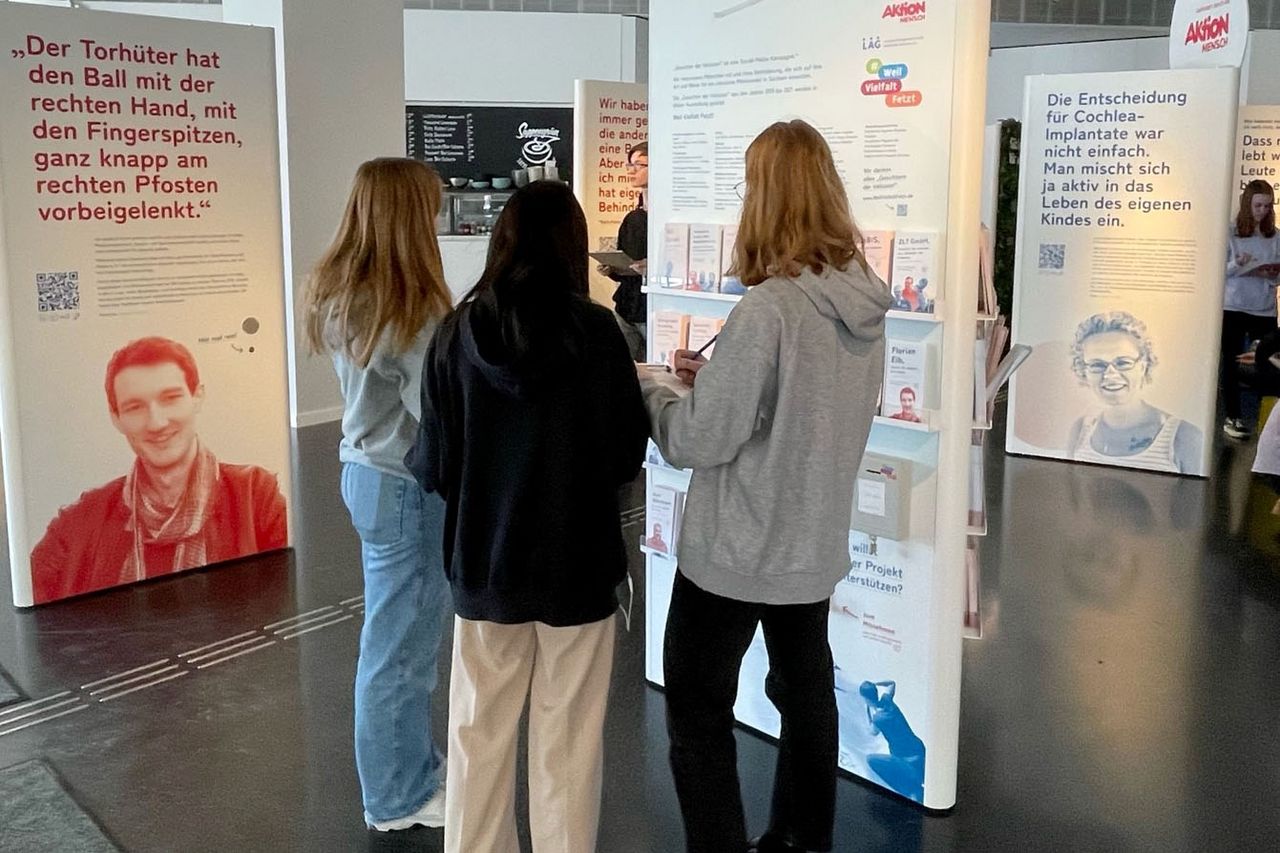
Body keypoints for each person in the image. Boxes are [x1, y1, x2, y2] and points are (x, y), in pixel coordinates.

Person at [640, 119, 891, 853]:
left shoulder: (769, 309)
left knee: (695, 710)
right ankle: (799, 839)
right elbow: (807, 412)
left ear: (767, 197)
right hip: (809, 546)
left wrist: (655, 395)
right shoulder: (865, 307)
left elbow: (698, 440)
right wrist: (715, 381)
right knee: (808, 697)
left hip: (737, 550)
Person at [406, 180, 649, 853]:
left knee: (475, 734)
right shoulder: (598, 334)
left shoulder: (456, 333)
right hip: (579, 567)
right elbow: (626, 453)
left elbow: (433, 463)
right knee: (567, 743)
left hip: (485, 567)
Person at [303, 157, 454, 833]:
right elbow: (441, 411)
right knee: (401, 648)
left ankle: (410, 767)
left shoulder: (340, 291)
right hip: (404, 485)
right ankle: (397, 796)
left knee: (394, 640)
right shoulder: (411, 308)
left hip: (365, 472)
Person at [30, 336, 287, 604]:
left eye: (170, 398)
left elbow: (287, 596)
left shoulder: (255, 496)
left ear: (197, 397)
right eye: (135, 407)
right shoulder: (80, 523)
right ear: (116, 417)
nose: (156, 423)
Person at [1066, 311, 1202, 474]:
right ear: (1083, 371)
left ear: (1143, 366)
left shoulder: (1184, 436)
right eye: (1097, 365)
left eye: (1123, 362)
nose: (1110, 374)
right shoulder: (1080, 430)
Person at [1222, 179, 1280, 439]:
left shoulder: (1275, 236)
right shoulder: (1231, 233)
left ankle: (1267, 421)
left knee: (1269, 363)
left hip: (1264, 308)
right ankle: (1232, 417)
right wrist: (1238, 264)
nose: (1263, 211)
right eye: (1258, 205)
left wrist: (1271, 273)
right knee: (1232, 362)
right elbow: (1217, 273)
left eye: (1268, 206)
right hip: (1234, 306)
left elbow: (1277, 277)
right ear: (1247, 204)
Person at [600, 141, 649, 360]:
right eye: (630, 165)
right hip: (626, 307)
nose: (631, 171)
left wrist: (652, 268)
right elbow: (625, 265)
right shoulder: (632, 218)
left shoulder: (667, 219)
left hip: (651, 309)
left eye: (639, 165)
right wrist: (611, 268)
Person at [858, 680, 926, 804]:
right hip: (919, 750)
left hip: (904, 759)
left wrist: (868, 713)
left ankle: (908, 792)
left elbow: (872, 732)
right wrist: (875, 683)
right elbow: (892, 684)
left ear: (866, 699)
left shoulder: (878, 718)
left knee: (870, 760)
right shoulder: (887, 700)